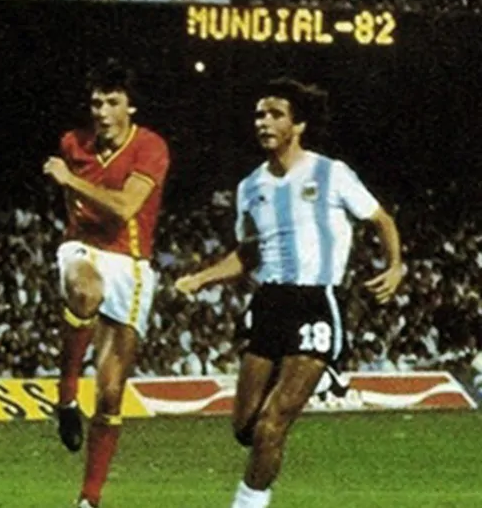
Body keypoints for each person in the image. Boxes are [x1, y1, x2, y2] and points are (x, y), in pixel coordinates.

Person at [174, 78, 403, 508]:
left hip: (316, 302)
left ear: (298, 125)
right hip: (269, 303)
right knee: (245, 428)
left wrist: (395, 266)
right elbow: (248, 253)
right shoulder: (250, 187)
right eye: (259, 114)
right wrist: (202, 278)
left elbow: (381, 220)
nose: (263, 122)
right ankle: (321, 380)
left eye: (275, 114)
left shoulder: (331, 173)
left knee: (271, 425)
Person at [43, 60, 171, 508]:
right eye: (96, 103)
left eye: (112, 102)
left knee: (112, 394)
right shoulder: (73, 143)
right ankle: (65, 396)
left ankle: (88, 499)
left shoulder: (150, 147)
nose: (102, 111)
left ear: (130, 107)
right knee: (84, 290)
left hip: (131, 264)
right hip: (84, 249)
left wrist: (69, 180)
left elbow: (125, 208)